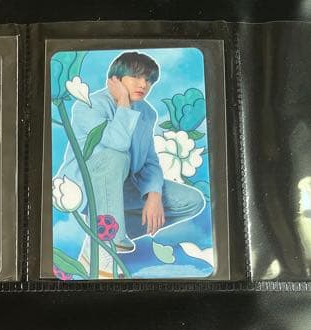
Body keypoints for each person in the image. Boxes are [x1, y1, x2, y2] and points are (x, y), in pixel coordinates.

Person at [58, 52, 205, 273]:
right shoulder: (88, 105)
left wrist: (153, 195)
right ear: (115, 79)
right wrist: (123, 103)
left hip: (123, 186)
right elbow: (117, 144)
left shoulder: (147, 112)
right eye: (136, 77)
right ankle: (106, 249)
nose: (143, 84)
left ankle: (95, 242)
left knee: (192, 201)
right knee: (118, 155)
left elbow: (150, 160)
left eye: (148, 80)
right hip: (87, 185)